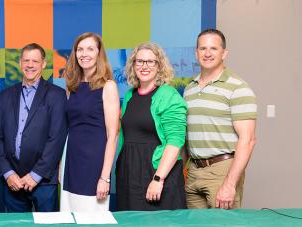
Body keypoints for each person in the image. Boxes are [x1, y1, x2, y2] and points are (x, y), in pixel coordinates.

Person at [184, 29, 257, 209]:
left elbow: (248, 140)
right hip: (193, 170)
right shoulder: (189, 89)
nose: (207, 53)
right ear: (196, 53)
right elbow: (186, 134)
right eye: (202, 49)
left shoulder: (238, 88)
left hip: (222, 170)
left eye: (213, 49)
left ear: (224, 53)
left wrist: (230, 183)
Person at [0, 43, 67, 212]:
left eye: (35, 61)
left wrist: (35, 175)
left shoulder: (57, 95)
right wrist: (8, 173)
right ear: (20, 63)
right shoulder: (6, 95)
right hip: (13, 181)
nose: (30, 65)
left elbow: (56, 139)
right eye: (26, 60)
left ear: (43, 64)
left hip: (43, 181)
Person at [116, 43, 187, 211]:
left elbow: (175, 142)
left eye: (151, 62)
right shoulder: (129, 95)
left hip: (156, 173)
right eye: (139, 61)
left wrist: (158, 179)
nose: (144, 66)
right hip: (129, 173)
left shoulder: (169, 95)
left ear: (159, 66)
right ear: (133, 65)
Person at [60, 32, 120, 211]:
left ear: (99, 53)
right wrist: (60, 166)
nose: (84, 54)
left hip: (94, 166)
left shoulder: (108, 86)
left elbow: (113, 136)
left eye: (90, 49)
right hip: (71, 163)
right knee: (69, 218)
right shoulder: (72, 86)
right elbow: (69, 130)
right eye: (80, 49)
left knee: (91, 217)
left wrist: (105, 177)